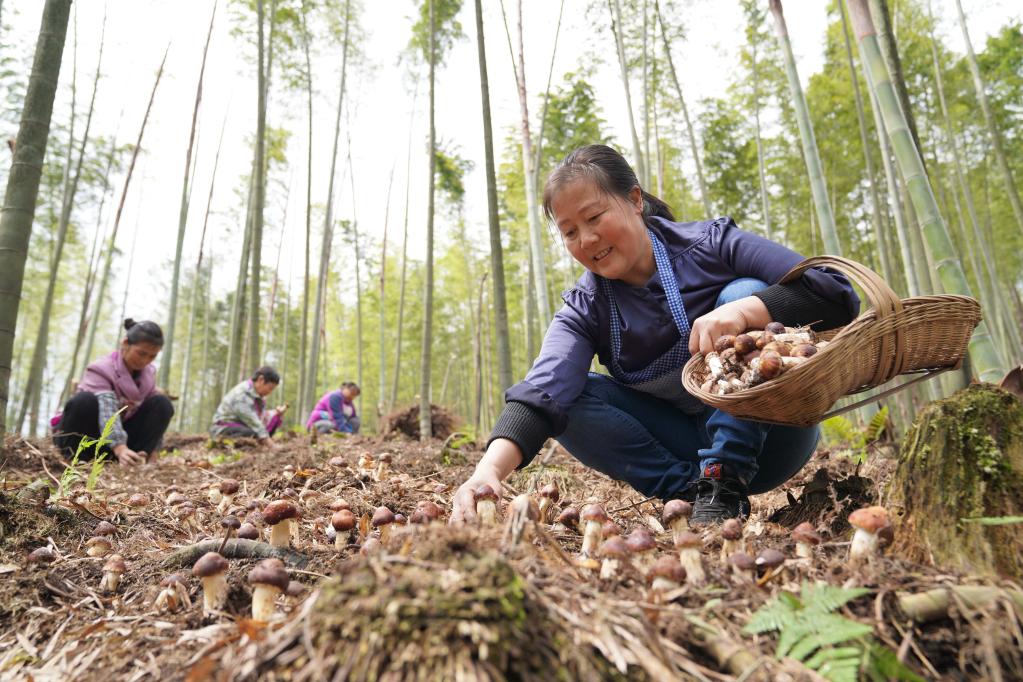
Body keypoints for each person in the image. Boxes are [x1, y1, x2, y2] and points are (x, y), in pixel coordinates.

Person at [451, 145, 860, 525]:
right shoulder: (585, 306)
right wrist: (487, 472)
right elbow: (543, 389)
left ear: (634, 200)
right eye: (570, 232)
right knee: (565, 394)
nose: (587, 240)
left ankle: (724, 479)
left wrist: (743, 311)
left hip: (775, 432)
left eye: (594, 218)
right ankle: (690, 494)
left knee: (742, 291)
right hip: (682, 447)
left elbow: (834, 290)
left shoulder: (711, 244)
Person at [52, 319, 174, 465]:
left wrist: (153, 448)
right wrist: (119, 447)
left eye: (152, 356)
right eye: (141, 353)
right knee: (83, 401)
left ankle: (136, 458)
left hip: (114, 443)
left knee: (162, 403)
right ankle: (75, 458)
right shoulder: (101, 369)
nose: (145, 360)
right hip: (87, 437)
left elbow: (155, 420)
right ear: (126, 343)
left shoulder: (149, 375)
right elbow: (107, 411)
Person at [210, 366, 285, 448]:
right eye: (270, 388)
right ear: (261, 380)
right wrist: (271, 445)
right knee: (252, 433)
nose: (270, 392)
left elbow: (260, 417)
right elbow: (253, 421)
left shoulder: (257, 395)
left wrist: (277, 414)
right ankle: (222, 443)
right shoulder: (242, 394)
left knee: (261, 431)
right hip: (223, 428)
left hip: (242, 426)